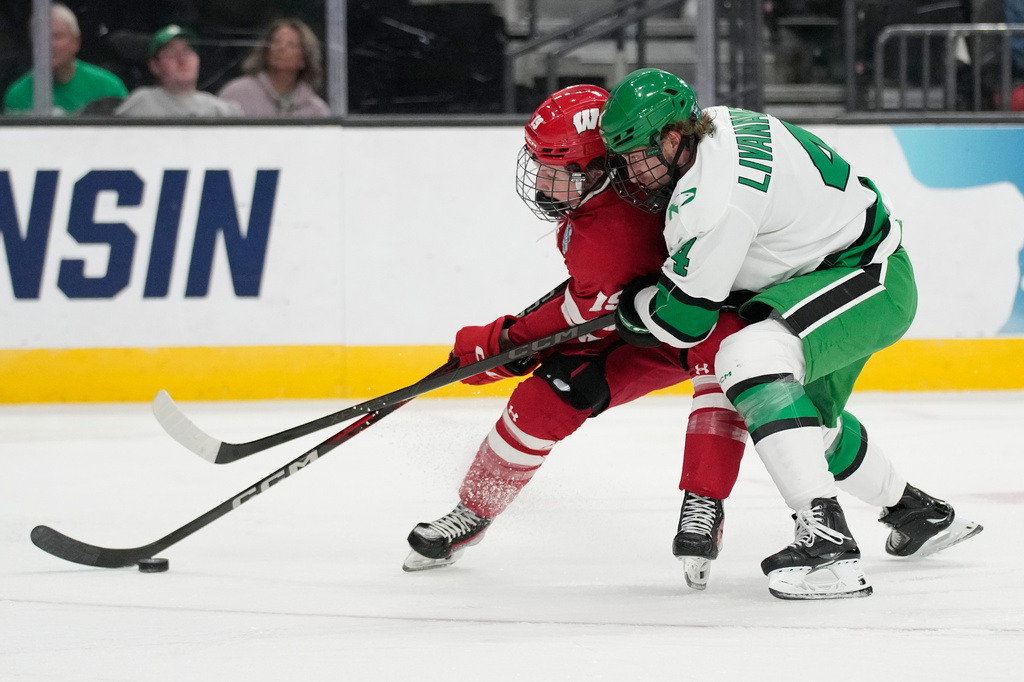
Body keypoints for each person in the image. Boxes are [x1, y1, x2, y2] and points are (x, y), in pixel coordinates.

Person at [599, 68, 983, 600]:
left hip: (866, 276)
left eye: (634, 152)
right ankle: (917, 514)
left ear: (671, 138)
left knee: (746, 358)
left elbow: (683, 322)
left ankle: (828, 547)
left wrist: (636, 304)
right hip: (835, 267)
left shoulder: (712, 202)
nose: (629, 169)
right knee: (803, 431)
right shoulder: (719, 123)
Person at [403, 85, 750, 591]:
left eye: (553, 169)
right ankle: (472, 512)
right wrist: (511, 347)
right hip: (640, 320)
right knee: (546, 400)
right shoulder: (610, 194)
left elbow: (581, 313)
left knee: (769, 400)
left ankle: (706, 502)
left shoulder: (612, 230)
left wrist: (501, 345)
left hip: (706, 321)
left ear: (594, 167)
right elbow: (595, 303)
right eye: (538, 164)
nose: (540, 180)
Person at [3, 4, 127, 115]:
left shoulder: (108, 87)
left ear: (76, 42)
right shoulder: (17, 95)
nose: (50, 44)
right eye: (42, 37)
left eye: (57, 36)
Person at [115, 25, 242, 118]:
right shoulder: (141, 102)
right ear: (155, 66)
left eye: (187, 52)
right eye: (171, 54)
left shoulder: (222, 110)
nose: (182, 60)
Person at [217, 18, 330, 117]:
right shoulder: (236, 94)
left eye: (291, 45)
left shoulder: (316, 110)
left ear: (304, 59)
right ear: (266, 50)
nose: (281, 48)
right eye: (276, 42)